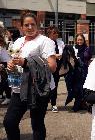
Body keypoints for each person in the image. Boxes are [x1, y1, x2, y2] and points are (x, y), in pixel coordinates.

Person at [3, 11, 57, 140]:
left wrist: (26, 62)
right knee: (9, 122)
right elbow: (14, 59)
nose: (30, 27)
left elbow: (52, 67)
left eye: (33, 24)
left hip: (38, 89)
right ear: (21, 27)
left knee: (37, 124)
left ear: (37, 25)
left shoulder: (45, 42)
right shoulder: (18, 41)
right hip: (19, 87)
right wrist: (11, 65)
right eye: (26, 25)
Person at [46, 26, 65, 113]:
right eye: (54, 33)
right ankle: (44, 103)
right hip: (47, 67)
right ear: (49, 34)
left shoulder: (60, 42)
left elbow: (63, 53)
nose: (56, 34)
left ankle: (53, 104)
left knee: (55, 86)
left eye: (57, 32)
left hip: (57, 68)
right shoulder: (45, 42)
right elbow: (43, 54)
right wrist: (54, 55)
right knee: (46, 86)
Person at [0, 27, 11, 104]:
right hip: (2, 61)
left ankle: (8, 97)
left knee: (6, 81)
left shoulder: (6, 41)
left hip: (6, 62)